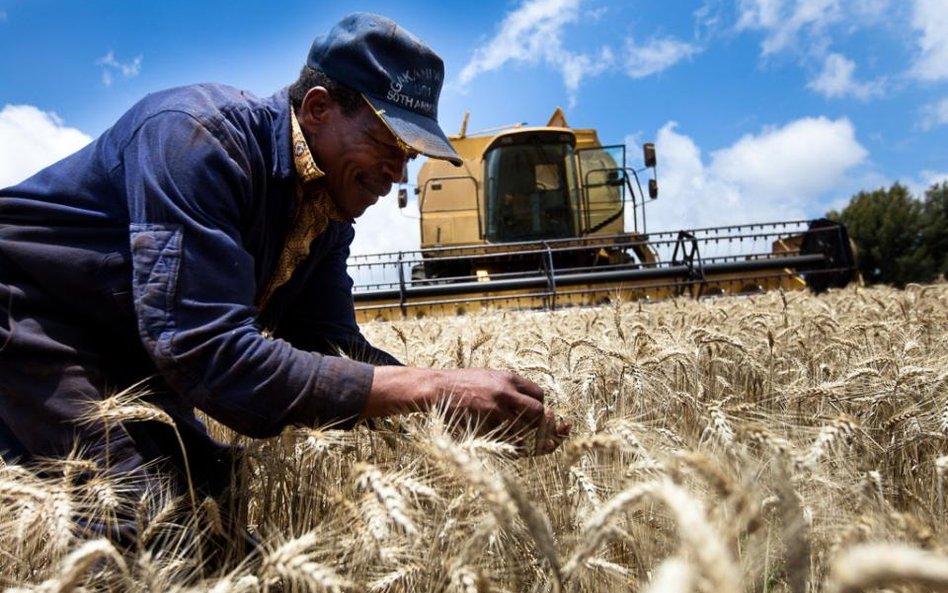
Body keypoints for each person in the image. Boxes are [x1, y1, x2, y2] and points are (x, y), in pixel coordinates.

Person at [0, 13, 568, 543]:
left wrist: (457, 414)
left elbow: (330, 346)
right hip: (28, 321)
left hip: (128, 353)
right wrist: (432, 387)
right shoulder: (196, 140)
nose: (398, 173)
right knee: (142, 520)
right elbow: (206, 351)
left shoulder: (326, 211)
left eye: (411, 156)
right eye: (387, 142)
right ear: (318, 108)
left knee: (216, 494)